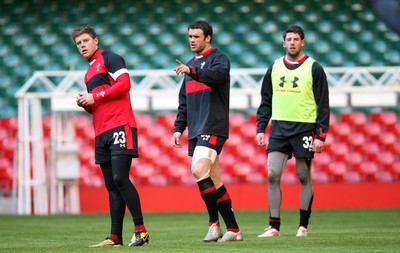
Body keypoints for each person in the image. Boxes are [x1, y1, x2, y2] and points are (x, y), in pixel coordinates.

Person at [72, 25, 149, 247]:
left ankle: (141, 231)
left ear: (96, 40)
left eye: (86, 40)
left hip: (120, 125)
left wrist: (95, 95)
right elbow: (98, 105)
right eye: (79, 43)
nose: (83, 45)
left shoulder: (110, 58)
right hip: (102, 131)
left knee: (120, 178)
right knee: (111, 185)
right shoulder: (88, 72)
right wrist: (86, 103)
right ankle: (115, 237)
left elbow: (125, 85)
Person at [255, 25, 330, 237]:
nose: (292, 42)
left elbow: (323, 104)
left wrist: (321, 135)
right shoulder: (275, 66)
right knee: (272, 174)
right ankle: (274, 227)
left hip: (304, 128)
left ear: (302, 42)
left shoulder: (314, 68)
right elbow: (266, 101)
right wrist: (261, 128)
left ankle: (303, 226)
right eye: (289, 39)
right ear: (283, 42)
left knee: (303, 175)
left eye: (296, 39)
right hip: (279, 128)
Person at [173, 20, 243, 242]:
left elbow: (217, 76)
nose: (192, 40)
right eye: (190, 36)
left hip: (213, 124)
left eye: (196, 36)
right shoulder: (189, 65)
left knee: (198, 169)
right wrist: (178, 128)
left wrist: (192, 70)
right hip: (196, 129)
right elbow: (184, 101)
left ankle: (214, 224)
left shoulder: (218, 59)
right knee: (214, 178)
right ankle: (233, 229)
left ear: (208, 38)